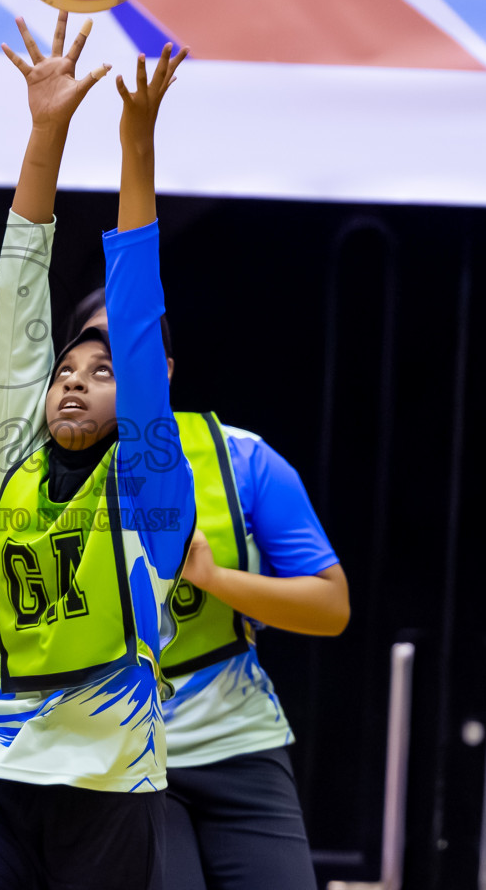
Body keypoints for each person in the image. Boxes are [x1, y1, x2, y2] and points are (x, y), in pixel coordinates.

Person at [0, 12, 193, 890]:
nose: (72, 379)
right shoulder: (23, 450)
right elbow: (17, 287)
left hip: (107, 791)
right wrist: (46, 129)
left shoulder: (149, 485)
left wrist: (136, 145)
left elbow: (134, 317)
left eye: (100, 373)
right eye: (66, 366)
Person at [64, 289, 350, 889]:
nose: (115, 370)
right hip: (123, 760)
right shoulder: (44, 481)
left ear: (164, 371)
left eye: (135, 356)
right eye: (97, 359)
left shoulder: (243, 457)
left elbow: (331, 607)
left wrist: (214, 578)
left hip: (239, 744)